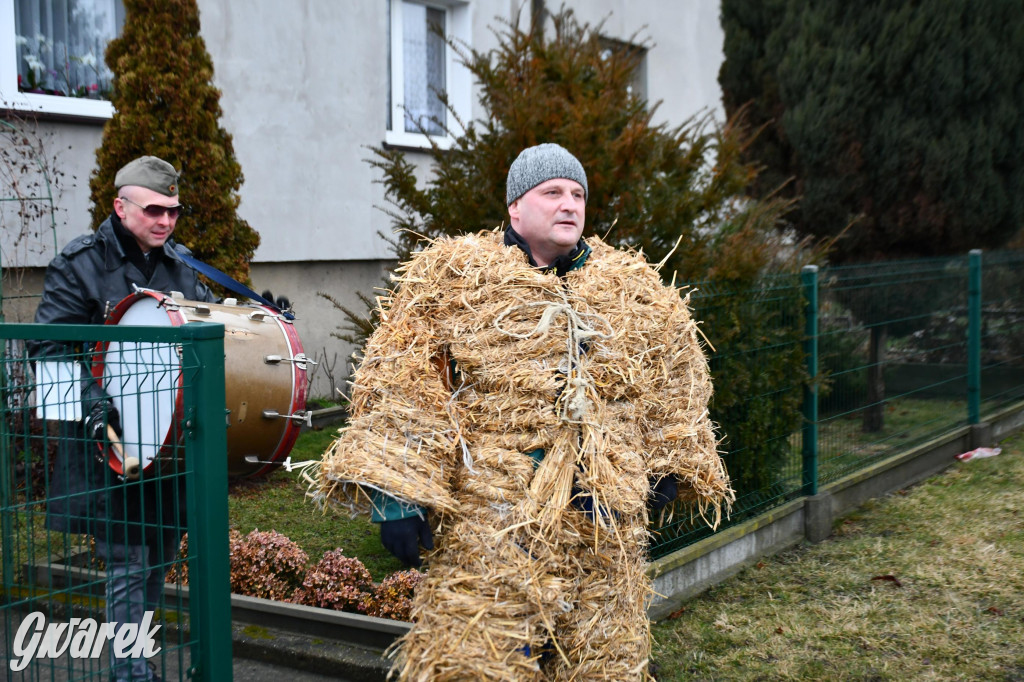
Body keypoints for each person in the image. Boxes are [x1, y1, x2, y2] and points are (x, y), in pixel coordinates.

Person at [316, 143, 733, 680]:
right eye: (552, 192)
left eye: (578, 195)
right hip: (494, 522)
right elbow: (405, 381)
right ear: (515, 207)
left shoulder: (632, 287)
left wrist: (670, 463)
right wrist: (397, 498)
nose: (569, 205)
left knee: (604, 667)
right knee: (479, 664)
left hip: (604, 529)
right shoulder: (457, 277)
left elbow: (675, 380)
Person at [31, 156, 216, 682]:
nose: (165, 221)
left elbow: (203, 343)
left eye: (174, 212)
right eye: (154, 209)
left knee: (157, 559)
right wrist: (93, 407)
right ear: (120, 206)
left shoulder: (182, 268)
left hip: (168, 447)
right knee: (126, 563)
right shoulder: (80, 264)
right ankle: (130, 671)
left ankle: (137, 662)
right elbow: (48, 347)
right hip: (106, 445)